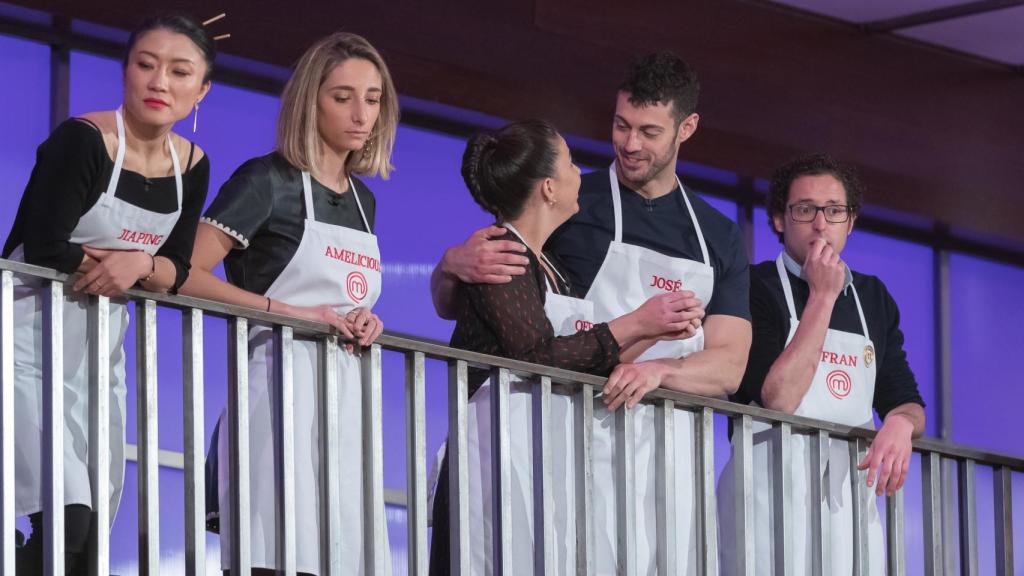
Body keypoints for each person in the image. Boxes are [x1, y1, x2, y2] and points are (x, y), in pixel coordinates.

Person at [431, 52, 752, 572]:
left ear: (686, 128)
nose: (630, 144)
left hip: (667, 460)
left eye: (649, 131)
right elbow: (480, 310)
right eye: (621, 125)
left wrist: (657, 368)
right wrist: (449, 266)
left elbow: (730, 365)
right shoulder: (574, 205)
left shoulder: (717, 236)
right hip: (567, 444)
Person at [2, 13, 213, 574]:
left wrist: (140, 263)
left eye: (178, 71)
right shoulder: (84, 139)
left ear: (202, 89)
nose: (159, 82)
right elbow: (44, 243)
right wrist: (124, 270)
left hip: (97, 356)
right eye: (146, 65)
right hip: (24, 337)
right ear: (125, 72)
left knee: (90, 538)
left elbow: (177, 266)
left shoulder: (192, 165)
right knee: (63, 513)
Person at [178, 31, 395, 575]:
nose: (360, 113)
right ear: (309, 99)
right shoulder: (266, 180)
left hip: (348, 404)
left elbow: (346, 296)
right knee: (272, 557)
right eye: (342, 96)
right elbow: (182, 274)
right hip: (277, 394)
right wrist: (292, 313)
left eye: (372, 99)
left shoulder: (364, 202)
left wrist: (365, 319)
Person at [718, 153, 926, 575]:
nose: (820, 224)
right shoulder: (753, 287)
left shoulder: (874, 298)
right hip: (766, 495)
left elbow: (905, 400)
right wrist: (824, 295)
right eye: (804, 209)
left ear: (850, 222)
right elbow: (779, 397)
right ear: (779, 219)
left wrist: (901, 426)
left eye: (833, 211)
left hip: (849, 501)